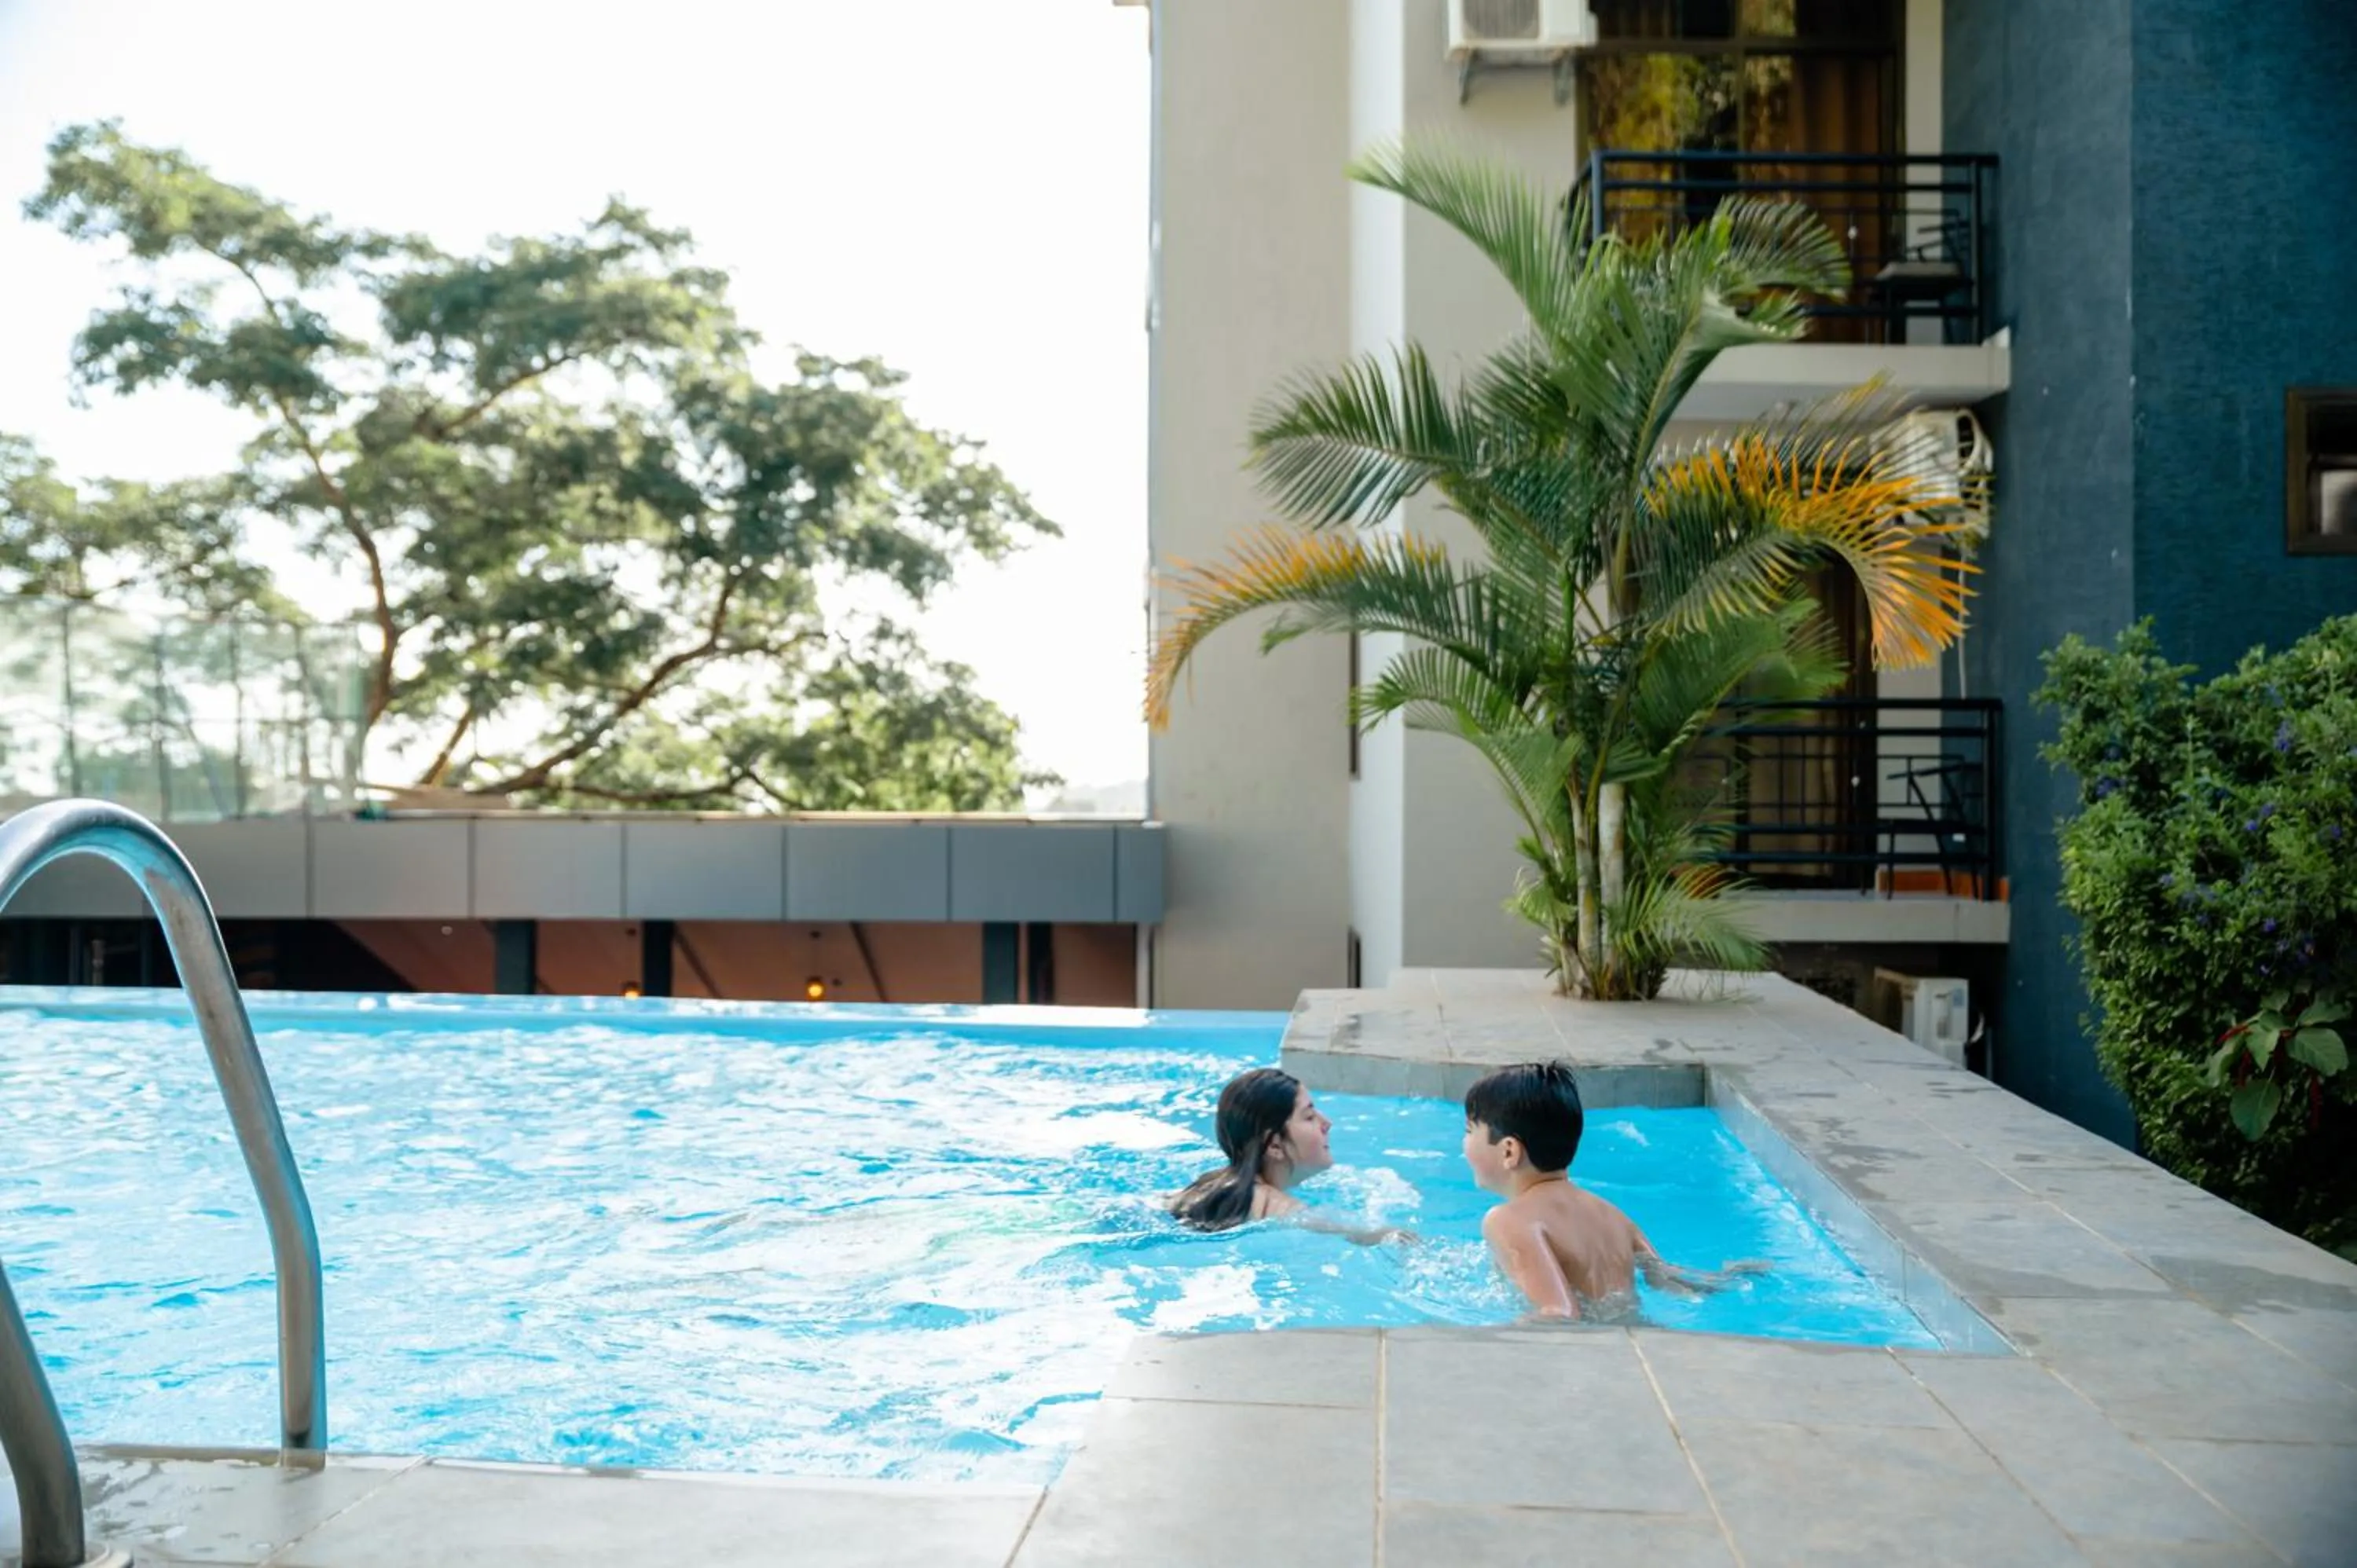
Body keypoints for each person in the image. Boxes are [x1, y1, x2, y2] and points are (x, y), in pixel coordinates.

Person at [1462, 1061, 1763, 1319]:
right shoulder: (1613, 1215)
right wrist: (1731, 1276)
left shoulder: (1507, 1219)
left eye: (1469, 1131)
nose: (1464, 1144)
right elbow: (1668, 1278)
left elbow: (1560, 1314)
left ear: (1509, 1151)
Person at [1168, 1067, 1409, 1243]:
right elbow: (1342, 1232)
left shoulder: (1208, 1184)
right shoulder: (1279, 1208)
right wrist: (1392, 1237)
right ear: (1274, 1146)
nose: (1327, 1123)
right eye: (1309, 1117)